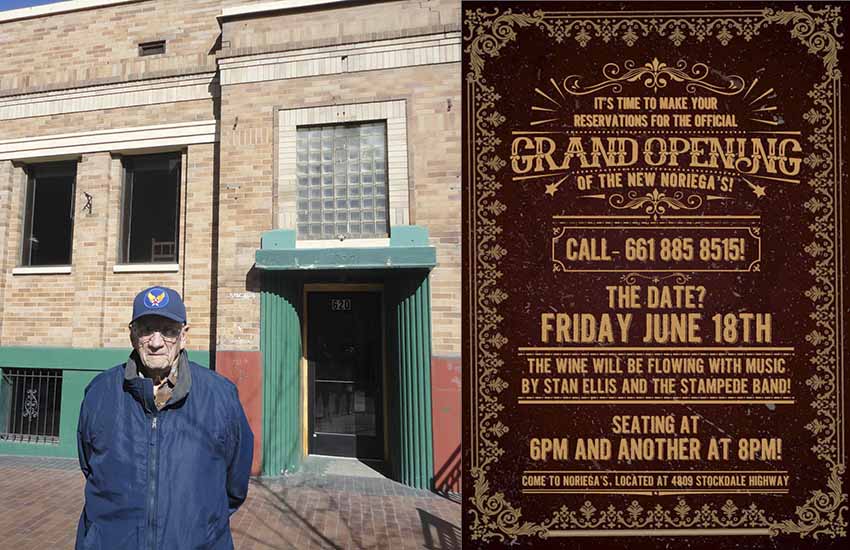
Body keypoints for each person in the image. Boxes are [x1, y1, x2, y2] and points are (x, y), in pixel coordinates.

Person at [75, 286, 253, 550]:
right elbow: (89, 466)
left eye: (168, 331)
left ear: (183, 337)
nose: (156, 342)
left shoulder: (220, 397)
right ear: (133, 335)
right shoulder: (100, 393)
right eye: (146, 329)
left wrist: (200, 527)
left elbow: (235, 485)